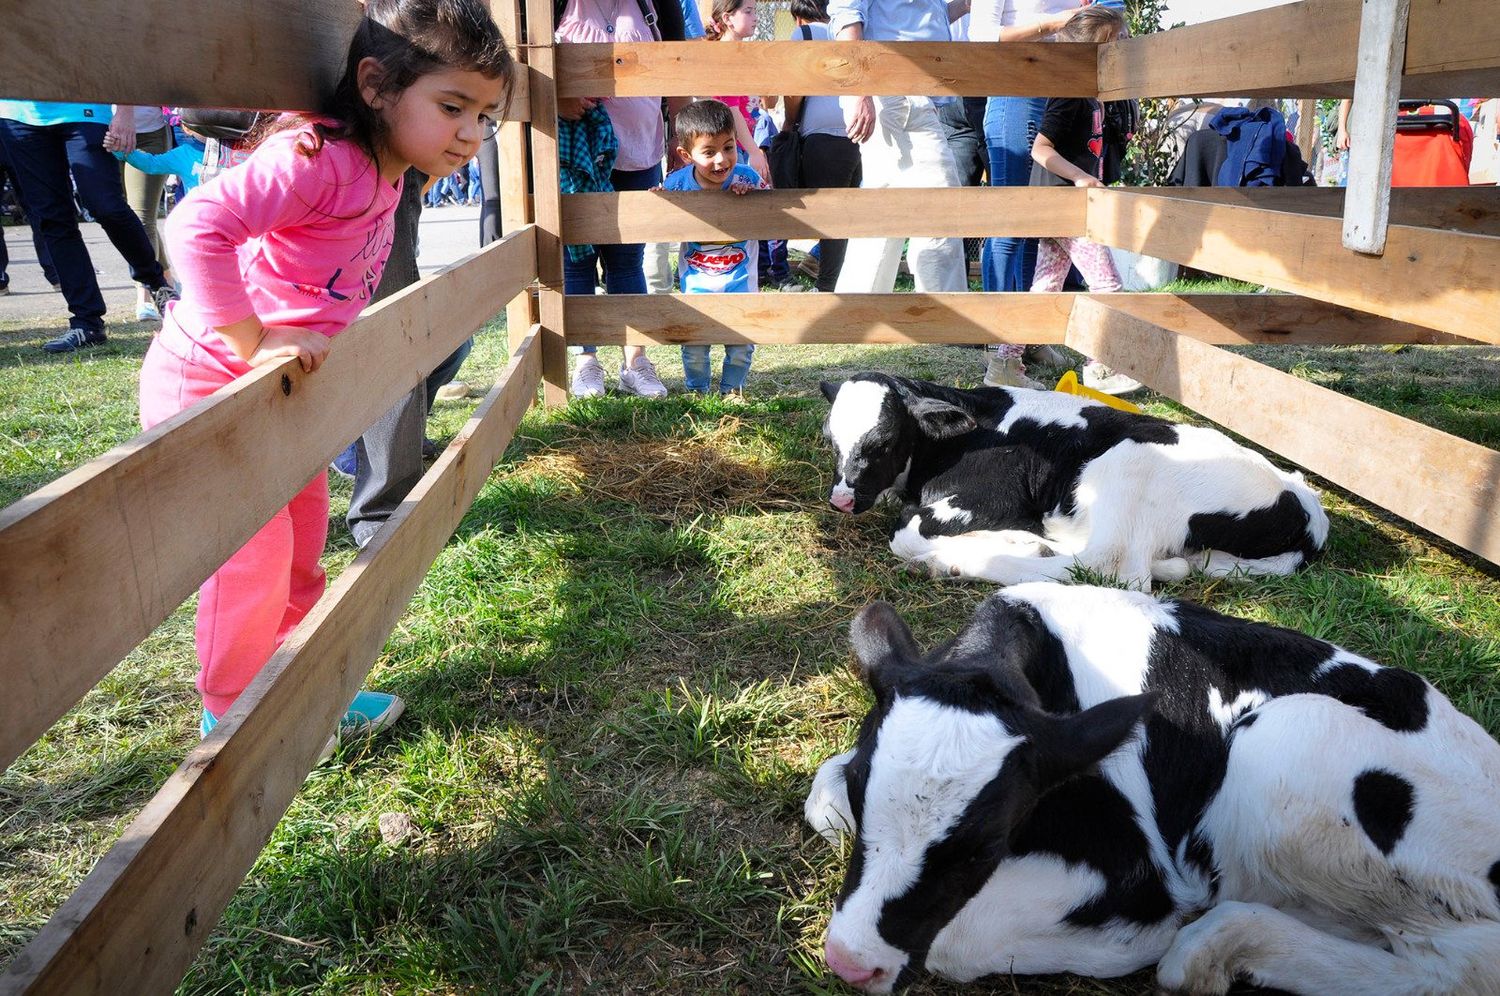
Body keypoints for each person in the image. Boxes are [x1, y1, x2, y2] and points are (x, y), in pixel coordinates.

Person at [136, 0, 514, 750]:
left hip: (281, 393)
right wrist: (253, 340)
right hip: (212, 382)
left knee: (303, 540)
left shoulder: (389, 169)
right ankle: (233, 716)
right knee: (253, 555)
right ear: (375, 88)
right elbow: (194, 227)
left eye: (487, 115)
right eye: (453, 107)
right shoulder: (319, 160)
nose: (472, 134)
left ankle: (306, 688)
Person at [559, 0, 685, 398]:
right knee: (577, 257)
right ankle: (586, 361)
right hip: (578, 151)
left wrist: (679, 134)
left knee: (628, 258)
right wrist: (557, 98)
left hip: (639, 152)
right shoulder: (555, 5)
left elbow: (678, 63)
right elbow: (524, 65)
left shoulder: (657, 3)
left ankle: (635, 361)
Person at [969, 0, 1090, 387]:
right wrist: (1055, 22)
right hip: (1015, 92)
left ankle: (1025, 340)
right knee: (1010, 221)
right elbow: (982, 35)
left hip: (1053, 89)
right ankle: (1000, 347)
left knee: (1033, 223)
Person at [0, 99, 180, 352]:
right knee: (52, 219)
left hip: (84, 112)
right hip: (17, 117)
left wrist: (125, 113)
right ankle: (87, 322)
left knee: (106, 206)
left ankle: (158, 284)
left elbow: (111, 60)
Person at [1026, 6, 1140, 395]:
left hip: (1065, 205)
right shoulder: (1071, 91)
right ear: (1096, 49)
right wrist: (1080, 178)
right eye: (1119, 41)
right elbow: (1041, 150)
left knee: (1046, 285)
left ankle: (1004, 360)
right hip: (1061, 204)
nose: (1126, 47)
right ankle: (1101, 367)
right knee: (1107, 284)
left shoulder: (1097, 97)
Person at [825, 0, 969, 295]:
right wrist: (859, 91)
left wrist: (962, 6)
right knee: (940, 207)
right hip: (893, 93)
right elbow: (846, 17)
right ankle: (946, 316)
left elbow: (918, 17)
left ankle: (859, 309)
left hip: (898, 94)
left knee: (884, 210)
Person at [663, 100, 768, 397]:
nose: (722, 160)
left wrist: (754, 196)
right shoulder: (677, 184)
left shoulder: (746, 177)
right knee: (695, 345)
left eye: (729, 147)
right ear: (686, 155)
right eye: (709, 152)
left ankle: (732, 390)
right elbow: (658, 217)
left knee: (741, 343)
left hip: (740, 280)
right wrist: (658, 201)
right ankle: (698, 391)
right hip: (697, 282)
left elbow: (774, 210)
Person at [781, 0, 862, 291]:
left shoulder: (804, 35)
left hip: (821, 135)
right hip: (861, 132)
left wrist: (789, 123)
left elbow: (793, 90)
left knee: (829, 218)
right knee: (845, 217)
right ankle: (833, 283)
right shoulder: (856, 30)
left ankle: (827, 287)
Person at [120, 106, 177, 320]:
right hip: (103, 133)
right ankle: (168, 282)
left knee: (142, 218)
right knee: (127, 216)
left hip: (149, 134)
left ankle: (145, 297)